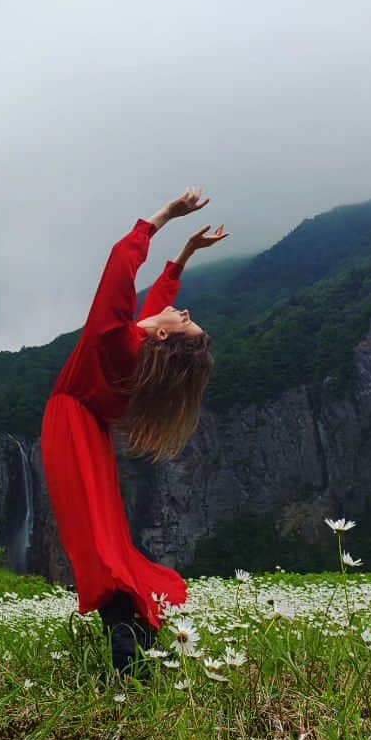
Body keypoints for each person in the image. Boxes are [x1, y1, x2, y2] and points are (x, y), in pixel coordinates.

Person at [40, 187, 228, 681]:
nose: (182, 311)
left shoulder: (117, 338)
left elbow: (119, 267)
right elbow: (160, 305)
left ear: (163, 337)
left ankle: (126, 647)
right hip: (90, 431)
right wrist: (185, 255)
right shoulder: (140, 359)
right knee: (106, 534)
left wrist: (164, 216)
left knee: (96, 538)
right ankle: (137, 633)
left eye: (185, 322)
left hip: (69, 424)